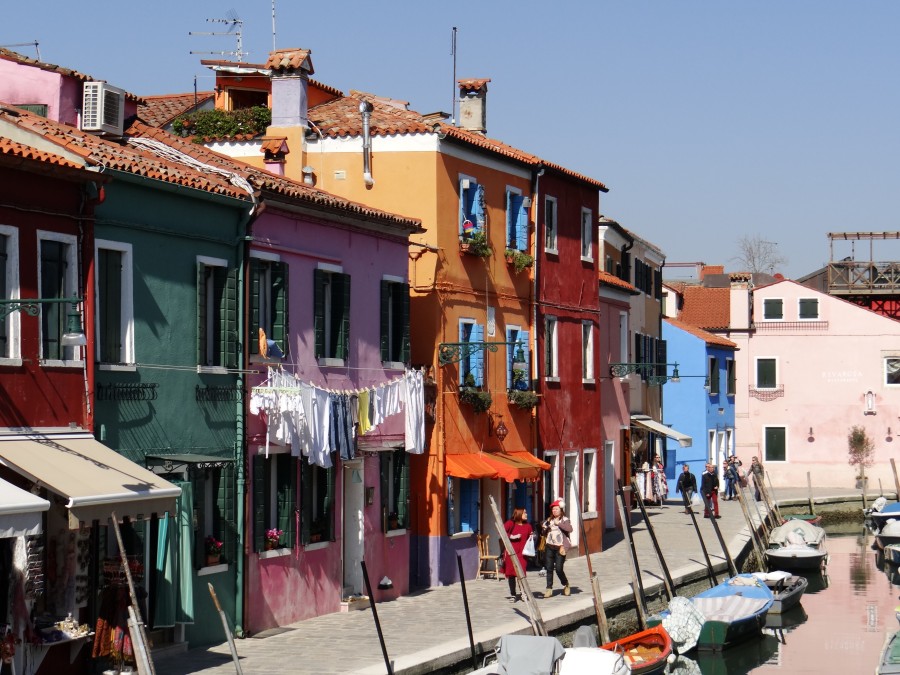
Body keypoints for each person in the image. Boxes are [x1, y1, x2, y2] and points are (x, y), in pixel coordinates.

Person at [541, 499, 573, 598]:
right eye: (553, 509)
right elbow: (543, 532)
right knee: (549, 568)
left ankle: (566, 584)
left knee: (559, 569)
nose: (554, 511)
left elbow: (570, 529)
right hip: (549, 546)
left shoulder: (565, 520)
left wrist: (558, 523)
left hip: (561, 547)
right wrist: (544, 528)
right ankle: (549, 589)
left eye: (556, 509)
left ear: (561, 510)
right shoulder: (549, 520)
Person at [502, 507, 533, 602]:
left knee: (521, 574)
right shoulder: (511, 523)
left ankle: (523, 593)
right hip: (511, 552)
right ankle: (513, 594)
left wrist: (533, 537)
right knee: (511, 574)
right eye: (524, 513)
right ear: (519, 514)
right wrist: (511, 536)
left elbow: (530, 536)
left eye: (526, 512)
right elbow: (502, 532)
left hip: (522, 554)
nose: (526, 514)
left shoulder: (528, 526)